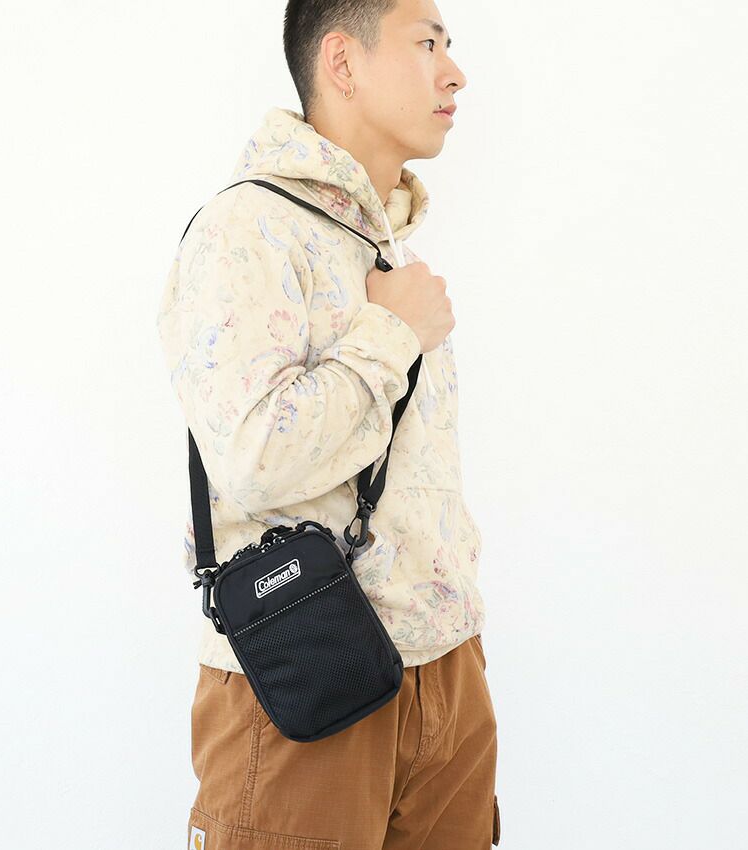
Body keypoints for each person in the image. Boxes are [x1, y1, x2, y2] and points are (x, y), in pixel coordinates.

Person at [156, 1, 500, 847]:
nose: (454, 72)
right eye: (426, 43)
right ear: (342, 62)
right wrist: (393, 334)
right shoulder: (247, 229)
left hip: (445, 668)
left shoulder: (383, 244)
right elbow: (253, 458)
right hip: (305, 674)